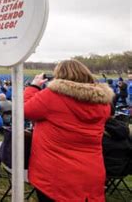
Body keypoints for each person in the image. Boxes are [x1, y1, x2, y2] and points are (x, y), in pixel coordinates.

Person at [24, 60, 113, 202]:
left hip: (56, 175)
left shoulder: (52, 96)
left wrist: (34, 86)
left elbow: (25, 110)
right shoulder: (103, 102)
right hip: (91, 172)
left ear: (59, 76)